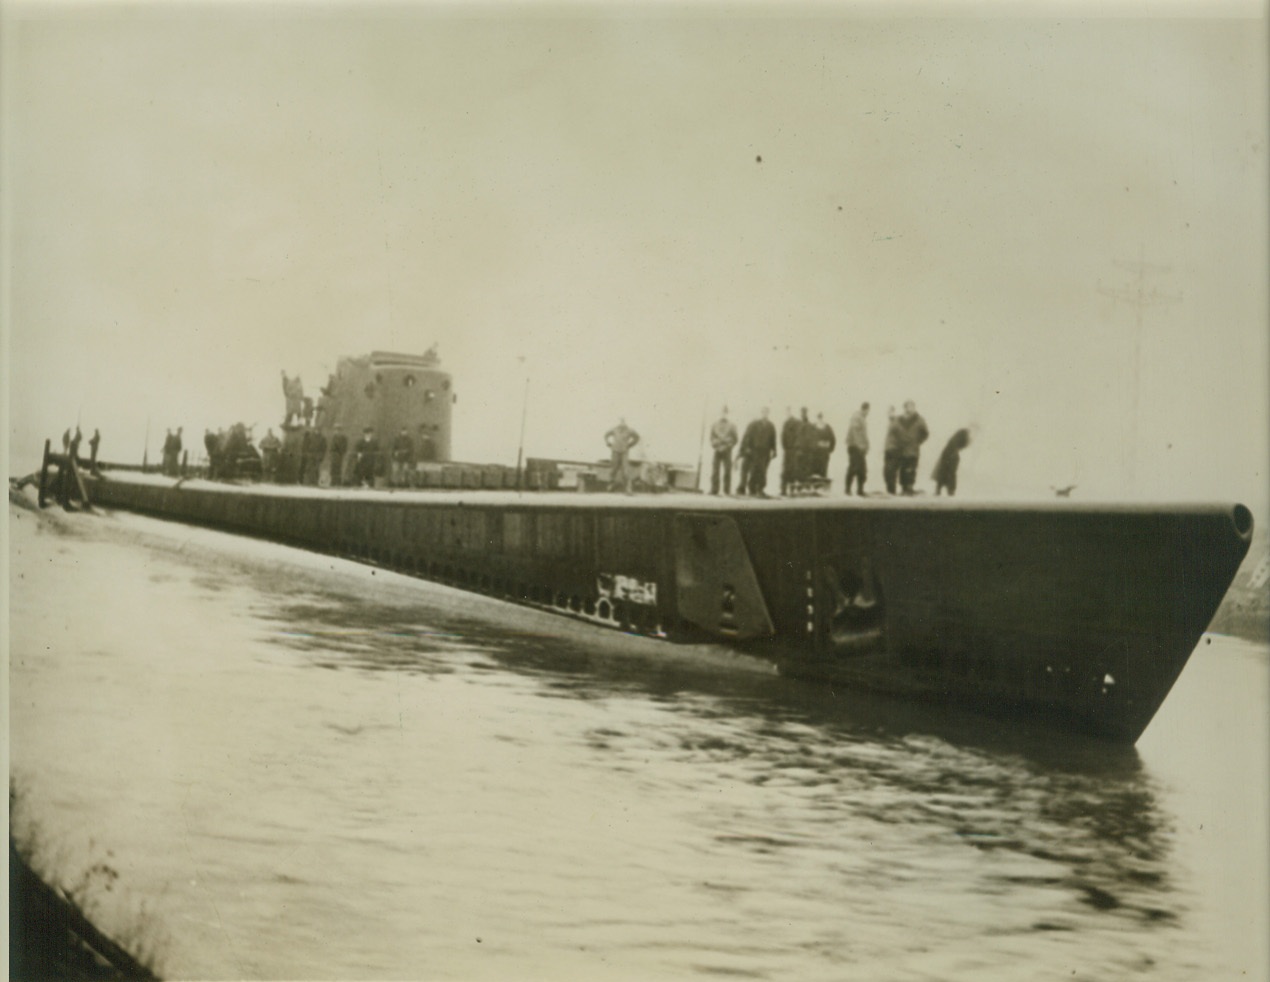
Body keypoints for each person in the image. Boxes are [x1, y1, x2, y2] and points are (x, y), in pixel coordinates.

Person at [894, 400, 929, 495]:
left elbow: (925, 433)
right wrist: (898, 442)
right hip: (902, 449)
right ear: (904, 408)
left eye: (912, 406)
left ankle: (910, 488)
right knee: (902, 468)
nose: (909, 409)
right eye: (908, 407)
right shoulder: (899, 419)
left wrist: (918, 441)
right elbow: (894, 432)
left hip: (913, 449)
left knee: (912, 468)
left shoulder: (919, 419)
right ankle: (904, 488)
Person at [741, 407, 778, 497]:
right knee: (754, 469)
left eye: (766, 412)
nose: (765, 414)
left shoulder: (771, 426)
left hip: (765, 451)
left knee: (763, 470)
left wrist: (774, 450)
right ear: (760, 413)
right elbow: (747, 436)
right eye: (763, 412)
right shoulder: (754, 424)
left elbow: (773, 439)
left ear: (768, 414)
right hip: (755, 451)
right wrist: (747, 448)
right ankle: (752, 489)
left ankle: (760, 489)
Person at [605, 418, 641, 493]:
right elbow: (606, 435)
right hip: (615, 451)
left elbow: (637, 437)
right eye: (621, 423)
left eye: (623, 423)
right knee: (613, 469)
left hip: (624, 452)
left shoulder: (630, 430)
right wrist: (608, 443)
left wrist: (630, 445)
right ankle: (611, 485)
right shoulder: (614, 429)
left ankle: (628, 488)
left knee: (626, 470)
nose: (622, 425)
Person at [932, 428, 971, 496]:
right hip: (952, 454)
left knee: (943, 471)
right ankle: (950, 490)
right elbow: (964, 444)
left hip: (947, 453)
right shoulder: (964, 434)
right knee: (951, 473)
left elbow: (962, 444)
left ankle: (939, 490)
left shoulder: (956, 437)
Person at [709, 407, 739, 495]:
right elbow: (711, 437)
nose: (723, 414)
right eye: (722, 412)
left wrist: (728, 445)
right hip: (717, 450)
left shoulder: (732, 425)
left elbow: (735, 439)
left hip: (727, 450)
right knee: (715, 470)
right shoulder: (714, 424)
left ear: (727, 414)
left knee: (727, 470)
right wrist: (716, 445)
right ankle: (714, 490)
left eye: (725, 412)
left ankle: (727, 490)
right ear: (719, 413)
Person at [845, 402, 869, 495]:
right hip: (854, 446)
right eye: (867, 411)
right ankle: (848, 489)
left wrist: (867, 445)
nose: (868, 413)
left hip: (859, 447)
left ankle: (860, 490)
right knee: (854, 468)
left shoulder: (862, 418)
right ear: (865, 409)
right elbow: (855, 432)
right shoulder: (857, 417)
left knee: (861, 469)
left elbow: (863, 434)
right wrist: (860, 446)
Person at [779, 408, 800, 495]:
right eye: (787, 412)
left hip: (793, 450)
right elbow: (782, 436)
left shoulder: (796, 422)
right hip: (788, 450)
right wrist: (785, 447)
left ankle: (791, 489)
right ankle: (784, 489)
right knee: (786, 469)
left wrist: (796, 447)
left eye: (789, 412)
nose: (788, 413)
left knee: (793, 469)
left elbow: (799, 436)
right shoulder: (785, 423)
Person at [882, 407, 902, 494]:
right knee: (887, 471)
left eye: (891, 412)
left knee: (891, 470)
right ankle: (889, 490)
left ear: (894, 412)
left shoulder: (897, 422)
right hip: (888, 449)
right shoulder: (891, 423)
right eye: (888, 413)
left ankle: (892, 490)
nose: (890, 414)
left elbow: (901, 435)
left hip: (894, 449)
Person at [811, 413, 836, 480]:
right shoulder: (813, 427)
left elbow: (833, 439)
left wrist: (830, 449)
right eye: (819, 417)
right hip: (815, 453)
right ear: (817, 418)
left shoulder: (827, 427)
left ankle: (823, 482)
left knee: (823, 470)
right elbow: (810, 438)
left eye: (821, 417)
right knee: (814, 471)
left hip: (824, 452)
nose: (820, 419)